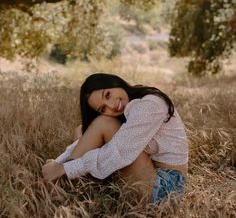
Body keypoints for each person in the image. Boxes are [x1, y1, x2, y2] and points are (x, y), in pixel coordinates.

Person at [42, 73, 188, 206]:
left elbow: (119, 151)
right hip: (150, 176)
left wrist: (64, 168)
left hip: (165, 190)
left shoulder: (149, 104)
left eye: (108, 95)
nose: (112, 105)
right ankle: (59, 180)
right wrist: (59, 162)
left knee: (103, 124)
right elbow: (86, 140)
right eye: (103, 108)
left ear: (115, 82)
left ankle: (59, 183)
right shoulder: (131, 103)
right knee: (81, 131)